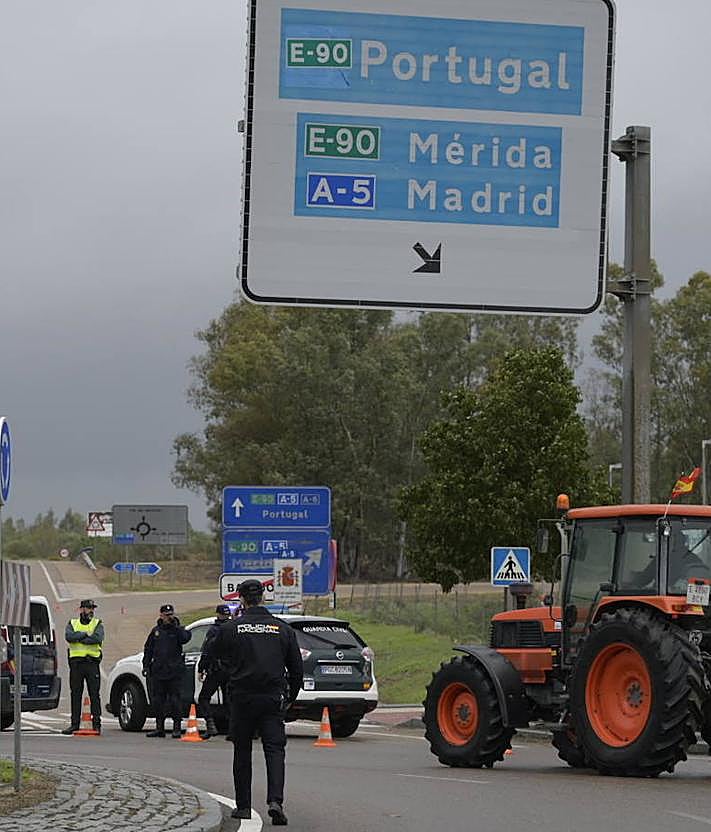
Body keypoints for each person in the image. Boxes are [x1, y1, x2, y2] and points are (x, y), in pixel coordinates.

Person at [206, 579, 303, 826]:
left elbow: (212, 653)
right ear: (263, 597)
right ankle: (275, 801)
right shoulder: (282, 629)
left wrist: (231, 670)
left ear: (241, 599)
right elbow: (296, 669)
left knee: (242, 750)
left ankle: (243, 806)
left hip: (242, 697)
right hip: (272, 697)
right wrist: (289, 697)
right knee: (275, 750)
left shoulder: (231, 628)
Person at [142, 603, 191, 738]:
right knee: (158, 701)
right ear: (161, 615)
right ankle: (160, 728)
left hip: (174, 671)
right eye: (166, 615)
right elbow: (148, 649)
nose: (169, 617)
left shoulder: (177, 630)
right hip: (159, 671)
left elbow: (186, 638)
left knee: (175, 700)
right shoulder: (156, 631)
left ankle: (176, 728)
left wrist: (176, 625)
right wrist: (146, 665)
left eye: (171, 615)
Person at [62, 599, 104, 735]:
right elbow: (69, 636)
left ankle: (96, 724)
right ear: (81, 609)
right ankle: (74, 724)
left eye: (92, 608)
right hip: (76, 664)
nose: (90, 611)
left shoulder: (97, 623)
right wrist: (85, 635)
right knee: (75, 694)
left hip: (92, 663)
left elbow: (97, 638)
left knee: (94, 695)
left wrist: (78, 638)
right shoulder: (72, 623)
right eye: (88, 608)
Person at [197, 603, 232, 738]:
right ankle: (232, 730)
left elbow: (207, 650)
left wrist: (202, 668)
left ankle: (211, 726)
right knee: (229, 701)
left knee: (203, 698)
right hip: (231, 670)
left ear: (218, 614)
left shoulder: (214, 630)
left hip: (216, 670)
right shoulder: (233, 629)